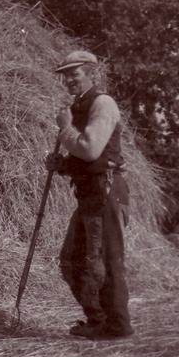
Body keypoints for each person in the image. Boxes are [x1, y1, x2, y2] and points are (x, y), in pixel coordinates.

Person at [45, 51, 133, 341]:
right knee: (72, 258)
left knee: (104, 262)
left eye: (75, 74)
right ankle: (98, 320)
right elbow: (83, 157)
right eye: (65, 75)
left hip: (105, 192)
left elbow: (92, 149)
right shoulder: (79, 107)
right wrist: (63, 165)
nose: (69, 79)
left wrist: (66, 128)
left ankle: (117, 327)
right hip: (90, 194)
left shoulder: (102, 103)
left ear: (90, 74)